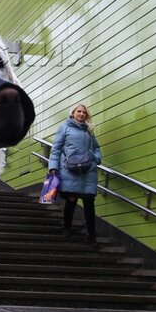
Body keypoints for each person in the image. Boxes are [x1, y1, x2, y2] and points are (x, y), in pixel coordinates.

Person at [48, 103, 102, 245]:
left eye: (84, 112)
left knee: (89, 203)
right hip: (70, 170)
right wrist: (53, 167)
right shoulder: (64, 128)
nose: (82, 114)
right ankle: (67, 228)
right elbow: (56, 149)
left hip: (88, 171)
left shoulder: (89, 130)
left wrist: (96, 158)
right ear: (72, 113)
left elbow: (96, 147)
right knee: (71, 200)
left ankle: (91, 235)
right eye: (79, 111)